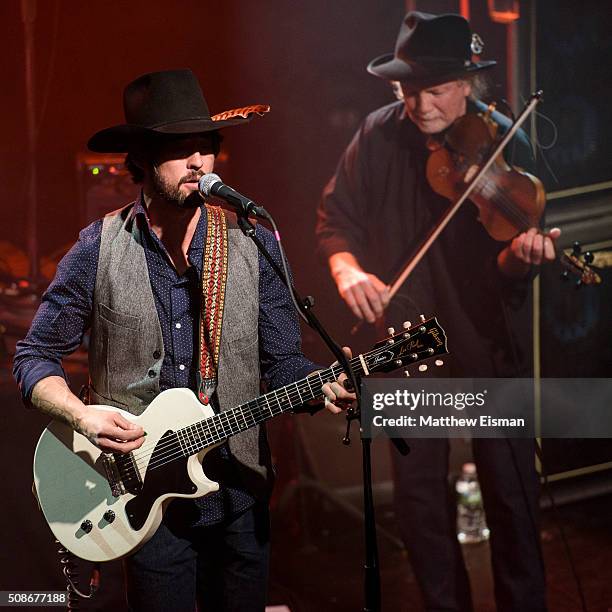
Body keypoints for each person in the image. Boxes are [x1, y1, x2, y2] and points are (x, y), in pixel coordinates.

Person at [14, 69, 353, 612]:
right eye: (180, 149)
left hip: (240, 496)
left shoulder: (253, 241)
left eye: (206, 147)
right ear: (145, 158)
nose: (198, 162)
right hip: (143, 507)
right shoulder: (97, 249)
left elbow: (283, 361)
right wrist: (83, 416)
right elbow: (34, 357)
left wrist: (321, 387)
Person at [317, 12, 560, 612]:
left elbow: (506, 273)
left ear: (468, 85)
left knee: (512, 498)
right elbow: (335, 222)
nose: (418, 103)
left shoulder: (507, 139)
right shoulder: (377, 135)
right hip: (403, 346)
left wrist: (520, 260)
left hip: (485, 345)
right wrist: (348, 270)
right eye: (407, 88)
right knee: (422, 506)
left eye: (434, 89)